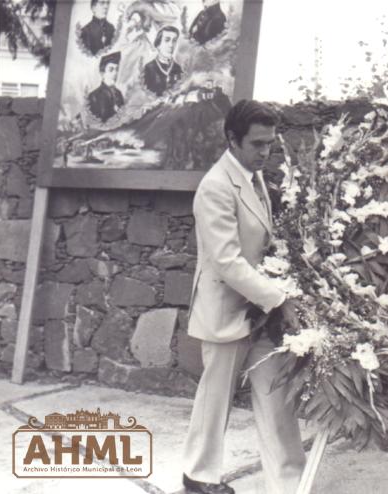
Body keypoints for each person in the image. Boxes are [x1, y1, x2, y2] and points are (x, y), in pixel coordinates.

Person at [182, 100, 306, 494]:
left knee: (277, 397)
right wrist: (280, 298)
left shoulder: (253, 178)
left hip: (260, 310)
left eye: (270, 144)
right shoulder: (215, 186)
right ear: (232, 140)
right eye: (257, 144)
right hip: (226, 309)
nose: (265, 153)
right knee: (215, 398)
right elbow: (226, 262)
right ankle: (198, 477)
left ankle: (289, 484)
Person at [142, 25, 183, 97]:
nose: (171, 45)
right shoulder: (149, 68)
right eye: (167, 40)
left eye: (174, 41)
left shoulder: (177, 68)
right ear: (158, 44)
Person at [87, 51, 124, 123]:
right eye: (111, 70)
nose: (115, 73)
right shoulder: (94, 96)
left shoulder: (119, 93)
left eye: (117, 69)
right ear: (102, 73)